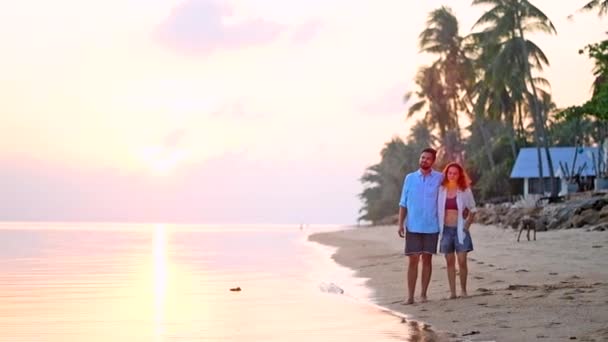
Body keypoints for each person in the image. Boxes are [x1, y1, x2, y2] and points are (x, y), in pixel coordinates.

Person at [398, 148, 443, 304]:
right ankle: (410, 296)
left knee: (427, 260)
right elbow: (403, 203)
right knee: (413, 260)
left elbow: (451, 192)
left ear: (433, 161)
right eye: (422, 157)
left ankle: (423, 294)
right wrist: (400, 224)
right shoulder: (409, 178)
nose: (424, 160)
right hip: (413, 226)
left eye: (428, 158)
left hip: (431, 226)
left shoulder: (439, 178)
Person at [437, 162, 476, 299]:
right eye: (450, 173)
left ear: (459, 175)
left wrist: (466, 226)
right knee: (449, 262)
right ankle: (453, 292)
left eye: (455, 173)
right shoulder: (441, 190)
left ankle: (463, 290)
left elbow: (473, 209)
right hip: (446, 230)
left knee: (462, 260)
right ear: (446, 174)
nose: (452, 175)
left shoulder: (464, 190)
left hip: (460, 230)